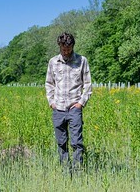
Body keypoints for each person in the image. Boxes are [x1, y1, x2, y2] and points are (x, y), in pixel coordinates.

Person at [45, 32, 92, 175]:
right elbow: (49, 83)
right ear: (59, 46)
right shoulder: (53, 62)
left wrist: (81, 103)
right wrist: (51, 102)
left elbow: (88, 84)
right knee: (61, 142)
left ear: (72, 46)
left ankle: (78, 171)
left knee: (77, 141)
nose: (66, 52)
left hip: (74, 107)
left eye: (69, 49)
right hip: (58, 108)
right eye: (63, 49)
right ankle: (66, 171)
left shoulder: (82, 60)